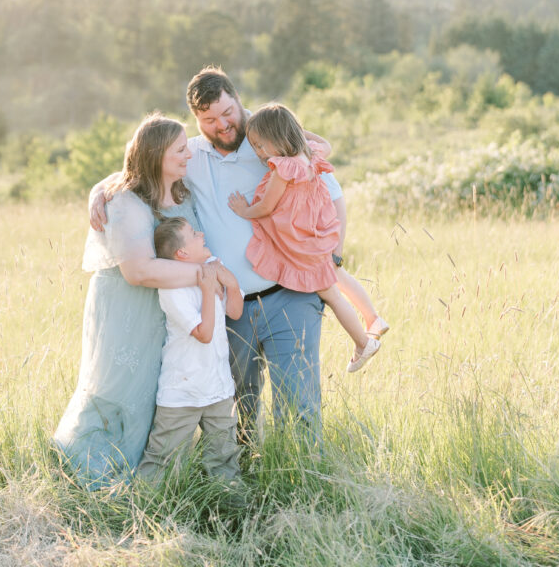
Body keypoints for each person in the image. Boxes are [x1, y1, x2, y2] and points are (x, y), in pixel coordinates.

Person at [90, 67, 344, 439]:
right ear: (197, 120)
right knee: (240, 407)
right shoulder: (190, 155)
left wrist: (332, 258)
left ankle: (305, 484)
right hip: (231, 306)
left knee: (300, 403)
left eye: (228, 113)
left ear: (238, 100)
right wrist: (99, 191)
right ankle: (247, 478)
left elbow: (332, 194)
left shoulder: (268, 140)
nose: (223, 125)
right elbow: (140, 167)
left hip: (290, 295)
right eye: (209, 120)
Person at [54, 113, 221, 489]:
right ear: (157, 154)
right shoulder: (126, 202)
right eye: (179, 150)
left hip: (167, 313)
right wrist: (209, 274)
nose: (187, 154)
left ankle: (149, 476)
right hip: (128, 309)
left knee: (156, 392)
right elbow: (138, 272)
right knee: (121, 389)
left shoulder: (183, 191)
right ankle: (95, 478)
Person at [228, 103, 388, 373]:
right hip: (314, 235)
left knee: (333, 296)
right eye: (255, 146)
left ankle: (363, 342)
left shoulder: (282, 169)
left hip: (300, 244)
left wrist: (245, 210)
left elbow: (267, 206)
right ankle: (371, 323)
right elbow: (325, 142)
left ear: (278, 138)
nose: (258, 152)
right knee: (336, 285)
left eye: (260, 145)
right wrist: (296, 132)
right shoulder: (310, 155)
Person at [137, 216, 244, 481]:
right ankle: (146, 510)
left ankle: (230, 512)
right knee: (162, 462)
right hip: (182, 391)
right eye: (194, 234)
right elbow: (204, 334)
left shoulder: (212, 266)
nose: (202, 234)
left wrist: (230, 283)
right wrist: (208, 289)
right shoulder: (171, 290)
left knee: (224, 461)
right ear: (181, 253)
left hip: (219, 388)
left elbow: (234, 312)